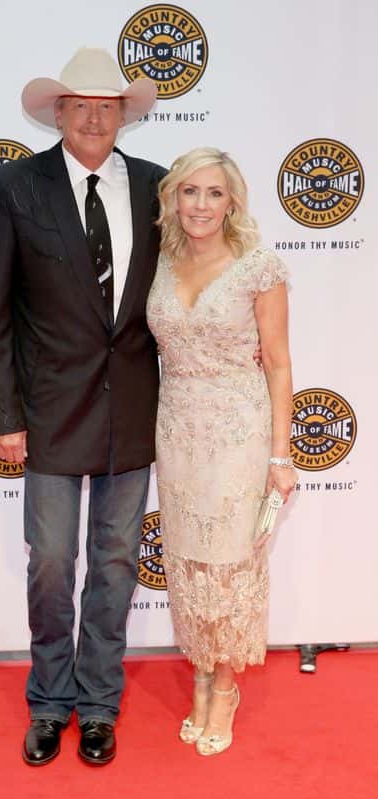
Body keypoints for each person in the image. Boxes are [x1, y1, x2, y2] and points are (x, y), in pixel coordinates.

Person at [0, 48, 166, 766]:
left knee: (115, 563)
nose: (93, 118)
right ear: (57, 113)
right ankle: (51, 701)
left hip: (132, 406)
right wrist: (5, 414)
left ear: (124, 116)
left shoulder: (155, 186)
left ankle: (100, 704)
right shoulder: (12, 187)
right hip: (49, 409)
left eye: (106, 107)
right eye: (80, 105)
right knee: (52, 561)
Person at [146, 147, 297, 756]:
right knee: (189, 560)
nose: (201, 205)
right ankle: (202, 674)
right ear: (172, 199)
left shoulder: (260, 267)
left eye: (214, 192)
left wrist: (281, 456)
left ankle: (225, 688)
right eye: (190, 191)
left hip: (239, 433)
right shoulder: (159, 261)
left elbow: (279, 364)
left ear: (232, 200)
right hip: (176, 430)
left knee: (230, 563)